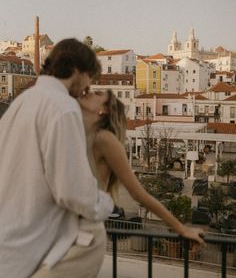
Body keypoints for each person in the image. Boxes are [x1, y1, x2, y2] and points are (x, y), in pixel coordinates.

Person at [0, 39, 114, 278]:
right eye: (89, 76)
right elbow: (73, 191)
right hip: (30, 249)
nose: (88, 85)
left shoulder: (20, 103)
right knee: (93, 234)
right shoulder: (63, 107)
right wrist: (105, 203)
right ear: (74, 69)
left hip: (7, 244)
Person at [78, 89, 205, 246]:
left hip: (84, 240)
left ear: (104, 110)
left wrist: (181, 229)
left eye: (98, 94)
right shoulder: (84, 135)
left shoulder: (104, 139)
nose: (90, 92)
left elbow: (140, 195)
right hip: (73, 237)